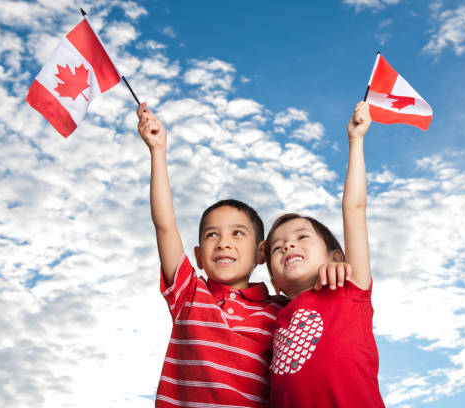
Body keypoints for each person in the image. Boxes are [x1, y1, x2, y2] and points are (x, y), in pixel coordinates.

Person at [137, 101, 286, 408]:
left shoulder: (281, 310)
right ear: (199, 256)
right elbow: (165, 226)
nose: (223, 243)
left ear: (262, 252)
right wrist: (158, 151)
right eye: (212, 235)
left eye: (237, 233)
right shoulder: (189, 294)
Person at [264, 101, 385, 407]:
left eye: (302, 237)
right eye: (277, 247)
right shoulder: (274, 319)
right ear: (275, 281)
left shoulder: (349, 288)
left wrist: (355, 141)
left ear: (334, 257)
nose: (288, 246)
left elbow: (354, 210)